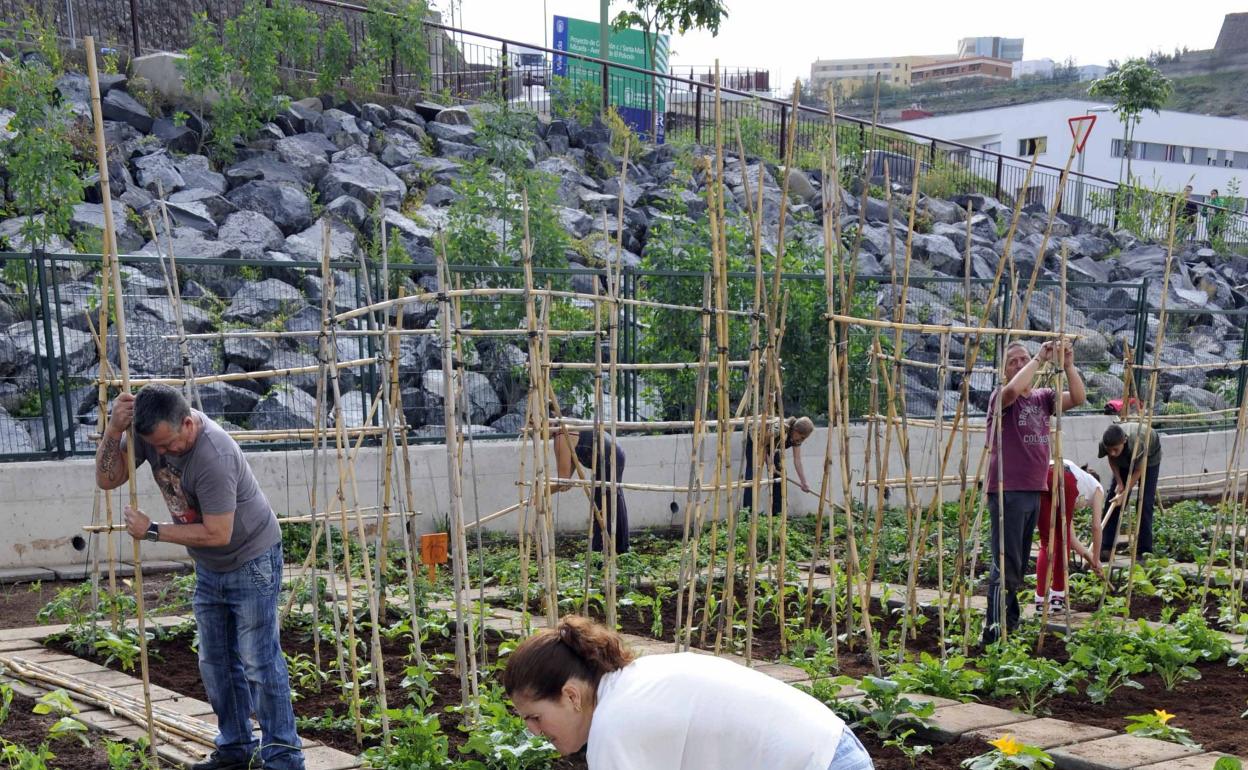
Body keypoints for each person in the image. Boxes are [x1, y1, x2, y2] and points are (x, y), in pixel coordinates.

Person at [96, 384, 303, 770]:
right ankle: (236, 746)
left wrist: (153, 530)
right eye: (155, 447)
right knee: (215, 661)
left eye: (169, 445)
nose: (162, 454)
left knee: (259, 660)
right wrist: (113, 430)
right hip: (210, 566)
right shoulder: (154, 434)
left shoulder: (214, 454)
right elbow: (109, 480)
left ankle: (284, 758)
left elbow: (217, 533)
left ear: (188, 423)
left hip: (250, 559)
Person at [501, 615, 873, 770]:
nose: (534, 731)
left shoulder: (615, 725)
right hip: (831, 750)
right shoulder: (633, 684)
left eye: (535, 716)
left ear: (570, 695)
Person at [983, 340, 1085, 645]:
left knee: (1018, 561)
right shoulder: (1001, 399)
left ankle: (1008, 623)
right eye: (1013, 361)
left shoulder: (1042, 398)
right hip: (1007, 490)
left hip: (1033, 489)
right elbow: (1013, 390)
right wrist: (1040, 357)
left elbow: (1079, 398)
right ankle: (995, 629)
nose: (1018, 364)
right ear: (1004, 370)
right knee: (1007, 561)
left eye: (1022, 359)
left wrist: (1067, 364)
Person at [1035, 459, 1106, 613]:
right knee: (1062, 541)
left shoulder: (1078, 478)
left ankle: (1040, 599)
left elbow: (1073, 539)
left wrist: (1092, 560)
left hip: (1040, 476)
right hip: (1063, 477)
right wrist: (1097, 558)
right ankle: (1057, 597)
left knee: (1046, 542)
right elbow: (1096, 527)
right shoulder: (1097, 488)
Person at [553, 422, 630, 554]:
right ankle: (619, 548)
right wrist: (562, 485)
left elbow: (562, 479)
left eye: (532, 423)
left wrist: (541, 493)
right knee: (611, 501)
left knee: (603, 505)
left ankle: (601, 553)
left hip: (609, 457)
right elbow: (565, 479)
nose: (531, 429)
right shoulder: (565, 430)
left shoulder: (561, 434)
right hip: (615, 454)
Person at [1097, 422, 1162, 562]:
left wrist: (1126, 492)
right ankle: (1105, 547)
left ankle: (1144, 551)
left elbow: (1139, 470)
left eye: (1115, 449)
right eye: (1110, 450)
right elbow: (1112, 459)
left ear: (1124, 441)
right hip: (1126, 459)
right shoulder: (1106, 444)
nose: (1112, 452)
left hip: (1149, 458)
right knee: (1113, 500)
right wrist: (1120, 482)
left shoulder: (1137, 444)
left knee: (1144, 502)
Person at [742, 416, 815, 516]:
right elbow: (762, 445)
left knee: (781, 474)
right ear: (795, 430)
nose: (801, 440)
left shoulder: (796, 439)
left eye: (804, 438)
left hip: (773, 446)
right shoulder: (778, 429)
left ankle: (777, 513)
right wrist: (770, 464)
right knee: (753, 474)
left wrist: (803, 482)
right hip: (757, 438)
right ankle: (748, 513)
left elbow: (797, 460)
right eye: (801, 437)